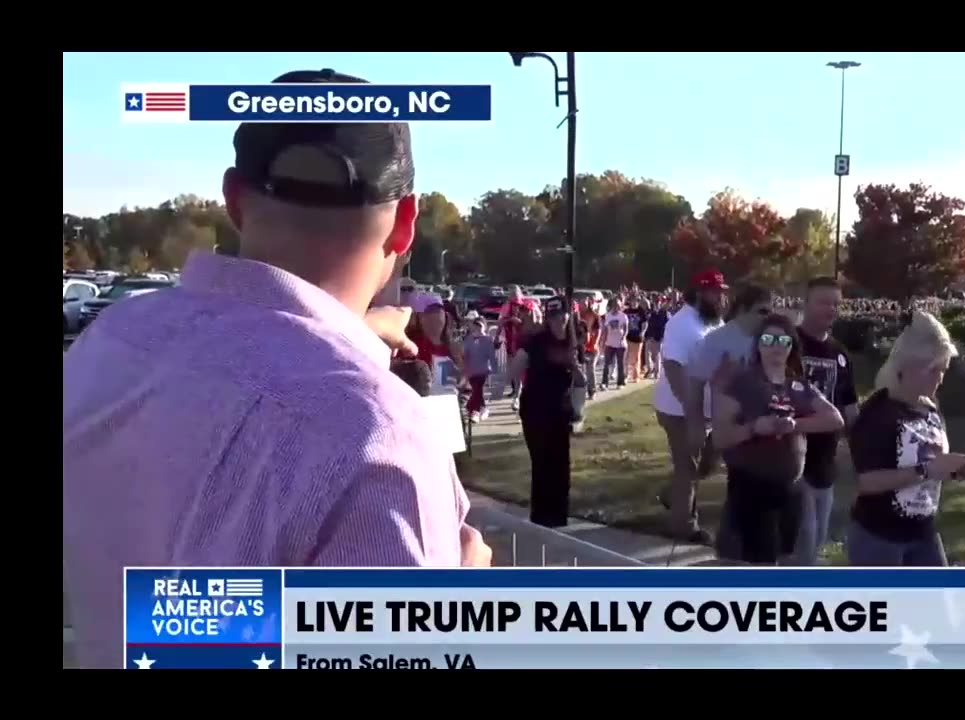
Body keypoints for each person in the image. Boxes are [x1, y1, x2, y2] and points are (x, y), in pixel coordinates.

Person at [62, 68, 490, 670]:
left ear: (235, 199)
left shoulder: (113, 342)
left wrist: (353, 341)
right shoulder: (380, 438)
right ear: (405, 222)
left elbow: (180, 631)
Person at [846, 311, 965, 566]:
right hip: (879, 538)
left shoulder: (931, 408)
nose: (939, 378)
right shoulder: (878, 413)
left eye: (944, 370)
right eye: (932, 369)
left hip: (923, 533)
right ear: (904, 367)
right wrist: (927, 470)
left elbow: (934, 462)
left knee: (935, 604)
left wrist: (955, 469)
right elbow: (867, 482)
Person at [712, 315, 844, 564]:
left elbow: (835, 418)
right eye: (768, 339)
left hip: (790, 489)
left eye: (783, 340)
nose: (776, 346)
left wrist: (795, 425)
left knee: (786, 559)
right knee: (757, 565)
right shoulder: (743, 382)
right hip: (751, 488)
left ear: (791, 346)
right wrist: (754, 428)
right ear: (758, 345)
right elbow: (720, 437)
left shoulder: (799, 386)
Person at [685, 283, 775, 554]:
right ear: (743, 309)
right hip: (730, 425)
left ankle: (747, 545)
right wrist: (696, 422)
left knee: (754, 487)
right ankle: (732, 550)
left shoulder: (767, 338)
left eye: (770, 311)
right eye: (762, 311)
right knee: (740, 486)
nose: (767, 316)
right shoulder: (717, 340)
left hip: (764, 425)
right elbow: (695, 383)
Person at [653, 270, 729, 544]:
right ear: (699, 292)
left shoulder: (712, 321)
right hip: (677, 410)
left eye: (722, 291)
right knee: (687, 466)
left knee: (707, 464)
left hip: (707, 410)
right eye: (716, 292)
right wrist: (693, 414)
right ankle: (684, 527)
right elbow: (673, 368)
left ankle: (671, 495)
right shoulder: (681, 324)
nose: (722, 297)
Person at [793, 277, 860, 565]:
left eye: (835, 303)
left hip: (826, 463)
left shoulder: (841, 354)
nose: (830, 309)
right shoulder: (788, 344)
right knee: (803, 543)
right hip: (793, 460)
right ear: (805, 303)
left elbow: (850, 409)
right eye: (823, 301)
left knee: (817, 539)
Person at [507, 296, 579, 527]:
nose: (558, 321)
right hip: (536, 410)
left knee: (561, 463)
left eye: (562, 316)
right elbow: (516, 367)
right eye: (553, 317)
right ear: (547, 318)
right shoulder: (536, 341)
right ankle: (541, 517)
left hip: (561, 410)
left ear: (568, 315)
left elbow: (580, 379)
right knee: (541, 463)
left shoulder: (572, 342)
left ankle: (558, 516)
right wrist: (511, 388)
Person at [462, 317, 497, 421]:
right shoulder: (469, 339)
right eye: (475, 326)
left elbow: (492, 356)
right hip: (471, 370)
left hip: (483, 370)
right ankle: (483, 408)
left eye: (480, 326)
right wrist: (464, 369)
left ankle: (474, 411)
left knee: (478, 389)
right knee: (477, 391)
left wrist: (494, 369)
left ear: (484, 327)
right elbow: (465, 354)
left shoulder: (488, 339)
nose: (477, 328)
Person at [601, 298, 629, 390]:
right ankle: (604, 383)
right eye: (615, 305)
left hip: (620, 344)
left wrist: (623, 337)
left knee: (620, 363)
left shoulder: (623, 316)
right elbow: (605, 329)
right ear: (612, 305)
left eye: (618, 305)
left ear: (620, 306)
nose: (616, 307)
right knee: (607, 364)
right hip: (609, 343)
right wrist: (603, 342)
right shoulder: (608, 316)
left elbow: (626, 329)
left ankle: (620, 382)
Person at [625, 297, 649, 383]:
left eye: (636, 301)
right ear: (630, 302)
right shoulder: (626, 311)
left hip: (638, 337)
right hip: (627, 337)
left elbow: (645, 323)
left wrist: (642, 332)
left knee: (636, 357)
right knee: (627, 357)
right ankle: (626, 375)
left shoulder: (641, 311)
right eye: (633, 301)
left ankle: (636, 376)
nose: (634, 302)